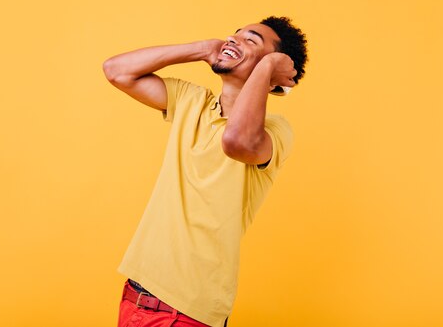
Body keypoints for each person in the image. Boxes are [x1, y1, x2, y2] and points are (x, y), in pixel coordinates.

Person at [102, 16, 308, 327]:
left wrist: (266, 71)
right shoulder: (193, 101)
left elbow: (238, 141)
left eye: (251, 41)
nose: (234, 39)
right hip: (136, 297)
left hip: (185, 312)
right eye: (235, 35)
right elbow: (116, 71)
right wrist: (202, 49)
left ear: (276, 69)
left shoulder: (276, 130)